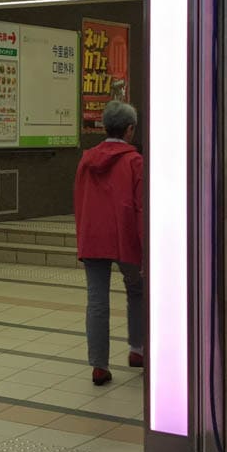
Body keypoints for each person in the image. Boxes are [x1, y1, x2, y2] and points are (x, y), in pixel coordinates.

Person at [73, 100, 144, 386]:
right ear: (129, 130)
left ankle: (99, 366)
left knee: (97, 301)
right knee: (137, 292)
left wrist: (83, 234)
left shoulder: (87, 160)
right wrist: (146, 248)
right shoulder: (134, 161)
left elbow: (79, 200)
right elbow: (141, 207)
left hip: (93, 238)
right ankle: (138, 350)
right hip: (125, 238)